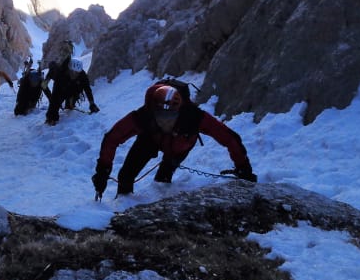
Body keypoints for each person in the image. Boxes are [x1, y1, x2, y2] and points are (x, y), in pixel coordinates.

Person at [91, 79, 255, 198]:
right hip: (151, 139)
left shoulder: (193, 116)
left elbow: (229, 138)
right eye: (161, 117)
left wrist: (243, 168)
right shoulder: (144, 115)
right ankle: (123, 207)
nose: (166, 122)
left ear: (180, 111)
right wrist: (103, 171)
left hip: (178, 146)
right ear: (153, 111)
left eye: (170, 118)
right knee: (126, 175)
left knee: (162, 179)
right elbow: (112, 138)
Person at [45, 57, 99, 125]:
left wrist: (92, 104)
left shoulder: (82, 75)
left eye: (77, 73)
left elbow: (87, 89)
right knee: (57, 101)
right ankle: (66, 106)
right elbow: (55, 96)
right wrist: (51, 116)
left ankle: (70, 103)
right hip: (62, 88)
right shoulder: (59, 74)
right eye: (72, 72)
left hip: (73, 89)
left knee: (75, 90)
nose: (74, 74)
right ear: (68, 69)